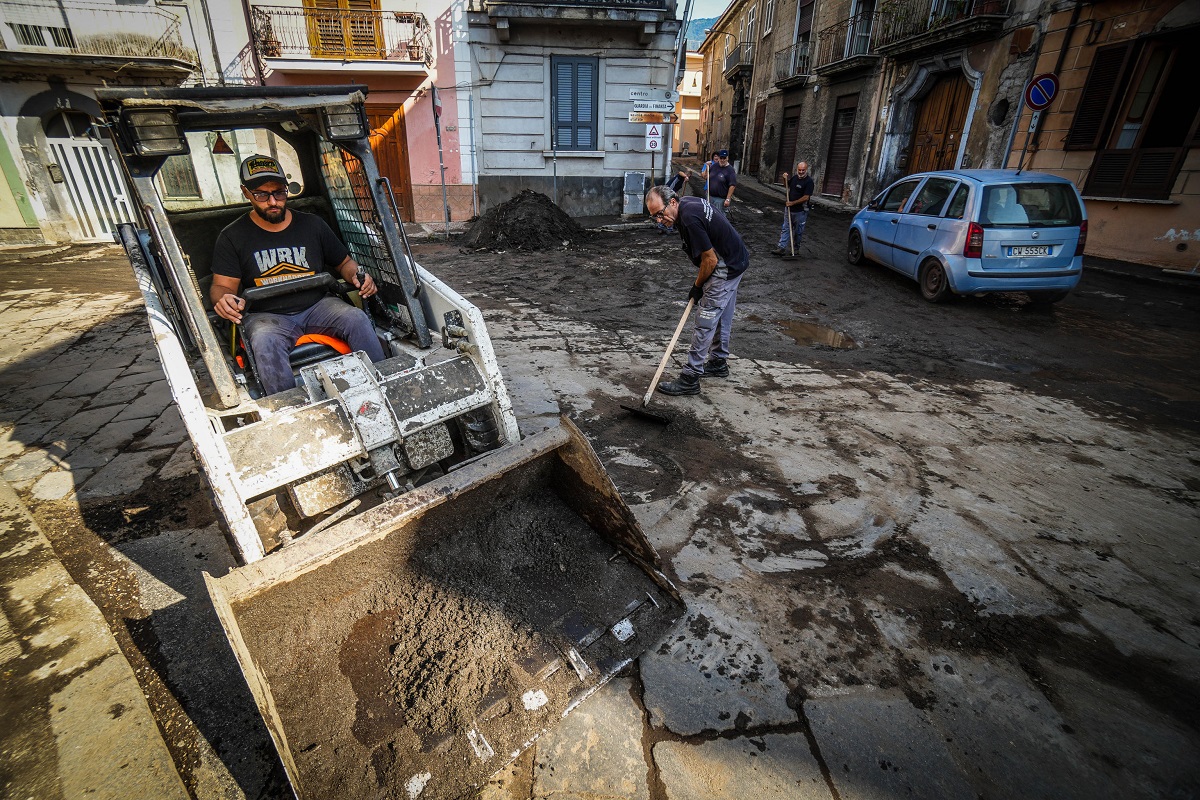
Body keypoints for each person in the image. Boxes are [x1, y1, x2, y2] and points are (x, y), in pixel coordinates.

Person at [210, 154, 386, 395]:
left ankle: (384, 386)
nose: (273, 201)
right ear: (246, 193)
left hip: (319, 306)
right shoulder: (232, 236)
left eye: (279, 193)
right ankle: (288, 409)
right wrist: (224, 299)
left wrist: (357, 275)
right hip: (267, 315)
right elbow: (222, 286)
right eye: (262, 195)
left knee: (356, 319)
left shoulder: (313, 225)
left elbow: (344, 262)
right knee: (264, 341)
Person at [644, 185, 750, 396]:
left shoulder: (689, 219)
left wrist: (697, 286)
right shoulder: (688, 203)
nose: (658, 220)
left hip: (725, 265)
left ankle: (690, 377)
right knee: (722, 315)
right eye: (654, 217)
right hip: (737, 258)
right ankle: (718, 362)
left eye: (659, 214)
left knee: (705, 321)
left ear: (672, 202)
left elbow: (709, 260)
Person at [774, 161, 814, 257]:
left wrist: (792, 203)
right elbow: (786, 185)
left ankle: (795, 249)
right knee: (786, 228)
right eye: (799, 170)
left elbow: (806, 197)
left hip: (800, 211)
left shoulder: (809, 182)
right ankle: (781, 247)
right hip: (789, 209)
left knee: (798, 231)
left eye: (803, 170)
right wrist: (784, 179)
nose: (800, 172)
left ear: (806, 170)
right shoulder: (795, 178)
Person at [655, 170, 690, 234]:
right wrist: (685, 176)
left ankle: (661, 227)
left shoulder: (680, 181)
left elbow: (675, 188)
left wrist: (676, 196)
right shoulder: (680, 176)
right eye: (689, 176)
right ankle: (669, 229)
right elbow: (680, 172)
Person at [707, 149, 738, 218]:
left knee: (719, 218)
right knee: (709, 216)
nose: (722, 160)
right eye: (721, 158)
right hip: (710, 196)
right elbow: (706, 177)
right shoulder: (714, 166)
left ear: (727, 158)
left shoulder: (730, 170)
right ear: (719, 158)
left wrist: (728, 199)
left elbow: (732, 185)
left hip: (720, 200)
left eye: (724, 158)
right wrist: (707, 168)